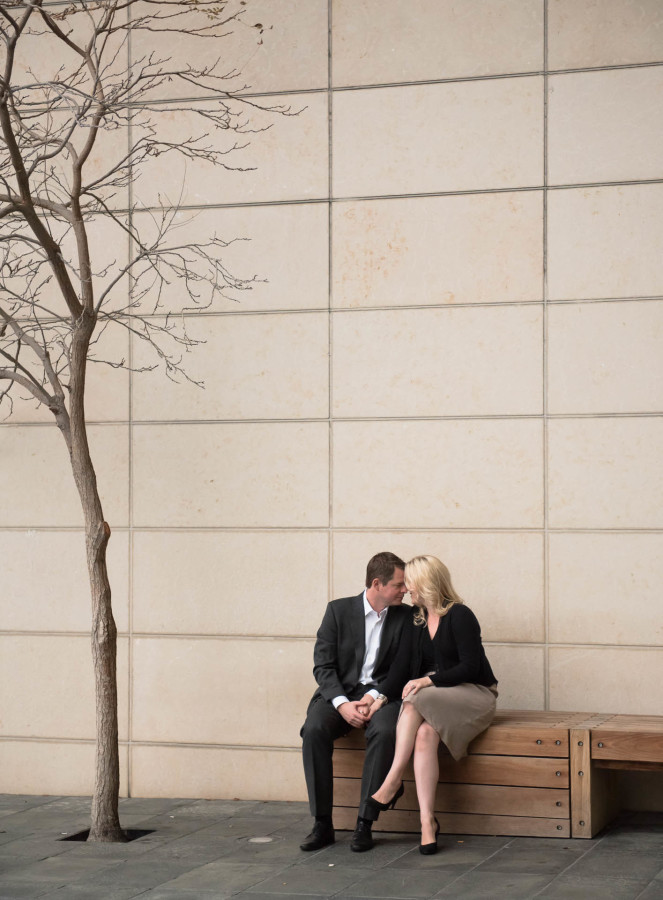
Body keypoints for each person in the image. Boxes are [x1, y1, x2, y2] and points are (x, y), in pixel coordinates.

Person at [364, 555, 497, 855]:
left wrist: (427, 681)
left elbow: (470, 668)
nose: (407, 588)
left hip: (475, 694)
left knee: (415, 694)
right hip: (435, 696)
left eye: (411, 582)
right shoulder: (417, 618)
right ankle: (427, 823)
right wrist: (379, 697)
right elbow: (400, 667)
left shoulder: (461, 616)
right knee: (424, 735)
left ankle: (393, 779)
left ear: (426, 583)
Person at [300, 551, 411, 853]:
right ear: (377, 583)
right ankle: (322, 823)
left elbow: (406, 668)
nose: (406, 590)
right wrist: (341, 704)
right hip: (340, 693)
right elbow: (323, 666)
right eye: (399, 585)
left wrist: (375, 696)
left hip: (385, 694)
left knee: (386, 730)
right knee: (314, 730)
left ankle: (365, 822)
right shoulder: (337, 611)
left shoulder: (407, 617)